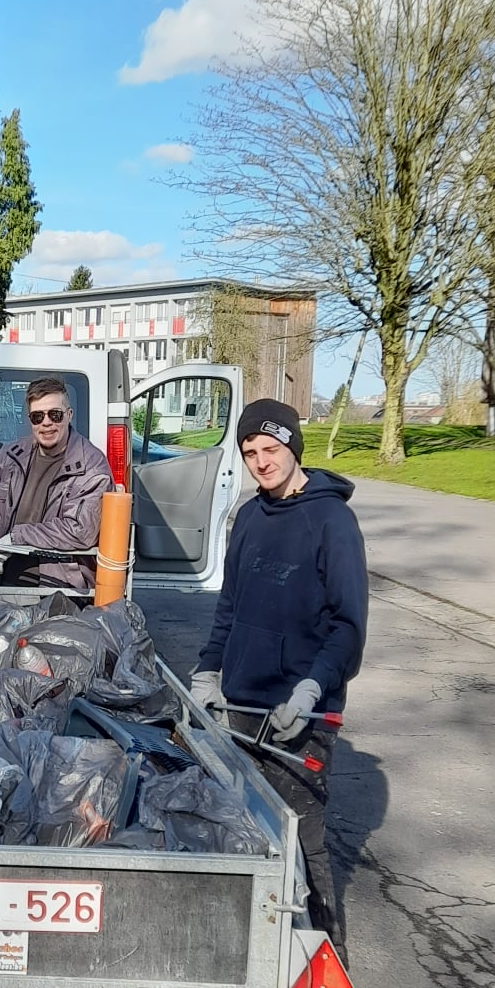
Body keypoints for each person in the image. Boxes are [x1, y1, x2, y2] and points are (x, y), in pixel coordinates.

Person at [189, 398, 366, 941]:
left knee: (300, 841)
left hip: (300, 713)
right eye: (250, 453)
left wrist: (314, 687)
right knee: (240, 835)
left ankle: (324, 959)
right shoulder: (248, 515)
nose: (261, 461)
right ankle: (249, 952)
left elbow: (348, 623)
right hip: (240, 705)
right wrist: (207, 672)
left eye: (270, 448)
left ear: (291, 445)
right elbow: (230, 607)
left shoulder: (332, 519)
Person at [0, 374, 113, 591]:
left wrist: (16, 539)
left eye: (55, 415)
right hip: (7, 583)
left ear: (69, 415)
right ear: (29, 420)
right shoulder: (11, 455)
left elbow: (80, 530)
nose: (46, 423)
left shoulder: (92, 465)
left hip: (60, 591)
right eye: (38, 416)